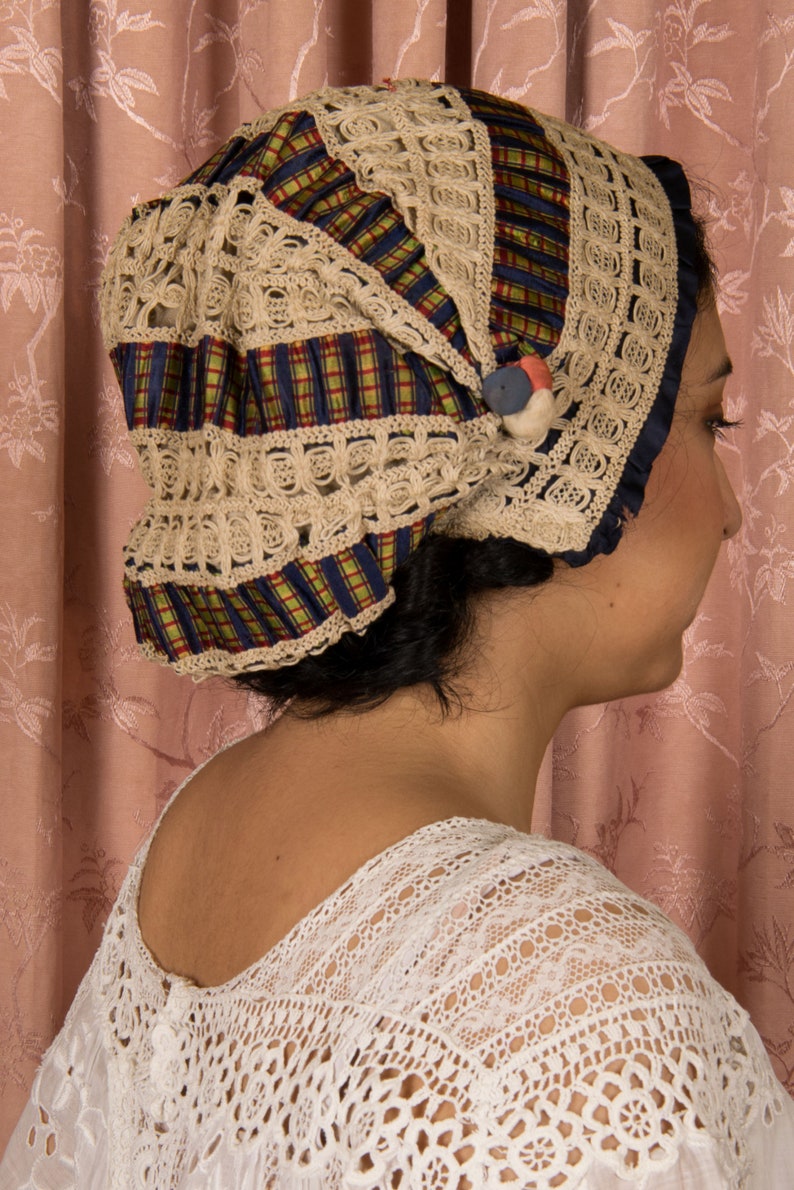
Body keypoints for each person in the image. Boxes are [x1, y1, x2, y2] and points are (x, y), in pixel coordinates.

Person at [2, 78, 793, 1188]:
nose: (731, 508)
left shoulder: (208, 820)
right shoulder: (569, 998)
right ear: (562, 460)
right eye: (710, 420)